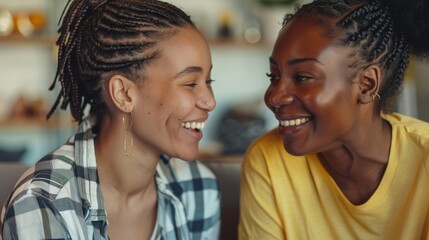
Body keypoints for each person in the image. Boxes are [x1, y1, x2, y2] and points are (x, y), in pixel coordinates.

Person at [0, 0, 220, 239]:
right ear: (123, 94)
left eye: (208, 82)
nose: (210, 101)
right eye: (190, 83)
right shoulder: (42, 203)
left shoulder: (198, 187)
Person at [239, 0, 429, 239]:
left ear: (367, 84)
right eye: (273, 76)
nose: (274, 97)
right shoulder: (269, 161)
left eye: (302, 77)